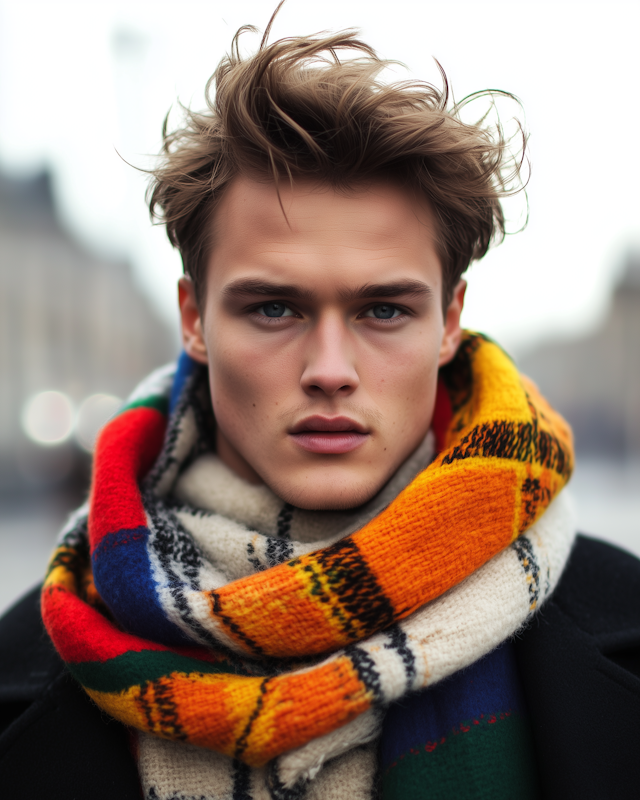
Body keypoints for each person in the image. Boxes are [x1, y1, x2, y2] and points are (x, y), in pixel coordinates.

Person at [1, 8, 639, 799]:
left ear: (448, 322)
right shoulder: (26, 660)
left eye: (383, 311)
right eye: (274, 309)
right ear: (195, 319)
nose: (330, 370)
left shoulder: (622, 625)